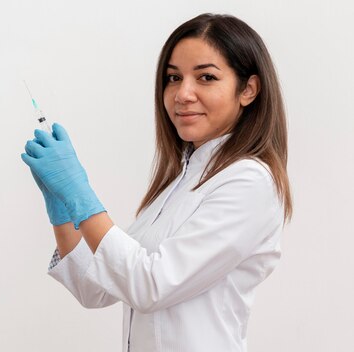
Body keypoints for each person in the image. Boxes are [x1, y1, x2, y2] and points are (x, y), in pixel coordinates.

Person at [20, 13, 293, 352]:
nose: (182, 94)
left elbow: (150, 286)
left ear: (248, 89)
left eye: (206, 77)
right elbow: (97, 288)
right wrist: (62, 210)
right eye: (173, 78)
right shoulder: (181, 180)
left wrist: (80, 196)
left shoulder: (250, 183)